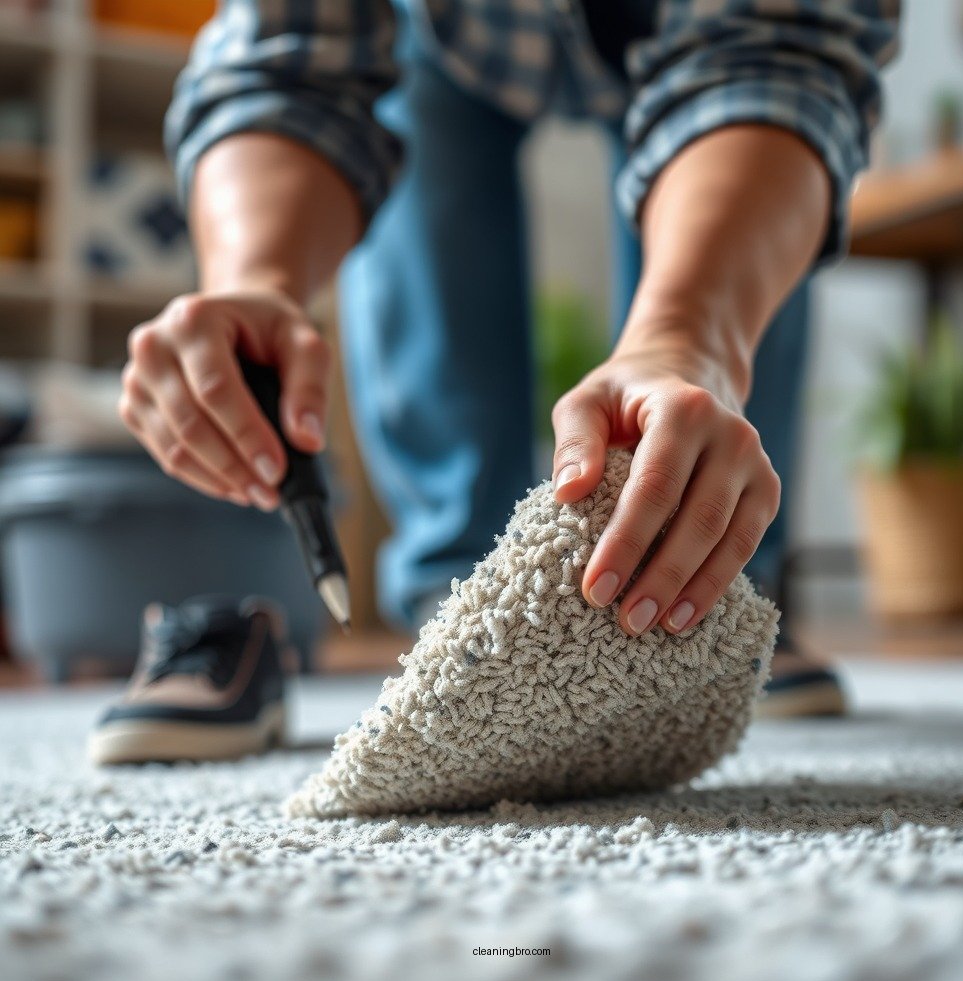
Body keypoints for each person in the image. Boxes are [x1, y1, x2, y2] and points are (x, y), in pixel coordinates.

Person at [100, 1, 901, 762]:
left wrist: (687, 344)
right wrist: (257, 281)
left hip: (715, 35)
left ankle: (712, 592)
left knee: (685, 385)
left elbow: (777, 56)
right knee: (421, 136)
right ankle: (458, 608)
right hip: (444, 34)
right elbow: (287, 64)